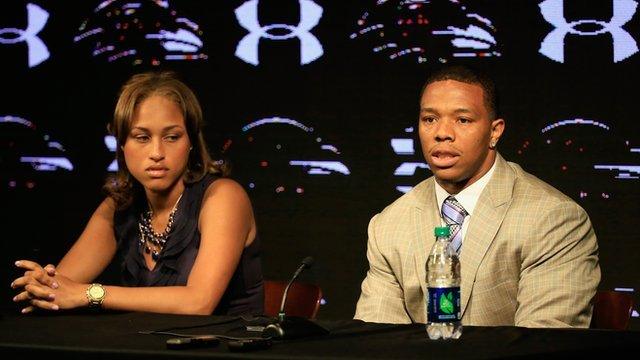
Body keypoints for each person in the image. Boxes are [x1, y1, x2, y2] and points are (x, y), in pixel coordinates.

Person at [354, 65, 600, 327]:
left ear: (495, 131)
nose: (442, 133)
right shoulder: (388, 224)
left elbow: (542, 341)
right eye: (429, 119)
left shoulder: (553, 220)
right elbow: (377, 338)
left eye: (462, 120)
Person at [10, 71, 264, 316]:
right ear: (122, 144)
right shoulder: (119, 206)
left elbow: (199, 303)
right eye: (142, 137)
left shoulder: (223, 197)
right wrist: (42, 285)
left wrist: (90, 294)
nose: (157, 152)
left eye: (172, 137)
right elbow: (62, 288)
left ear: (191, 143)